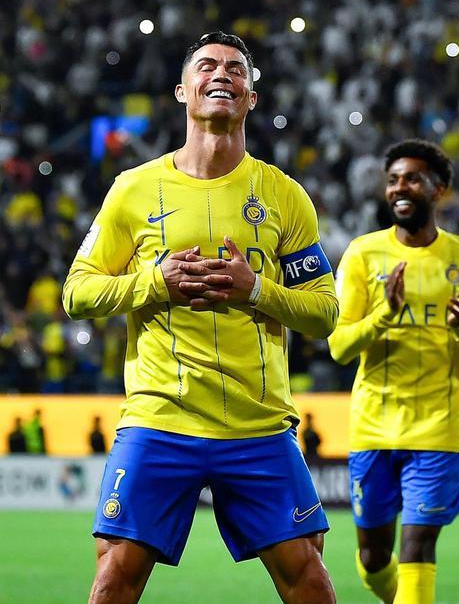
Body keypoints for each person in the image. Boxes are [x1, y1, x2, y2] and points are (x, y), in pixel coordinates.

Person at [64, 31, 339, 604]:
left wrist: (255, 289)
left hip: (256, 424)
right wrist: (154, 282)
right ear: (182, 90)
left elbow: (324, 313)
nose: (223, 74)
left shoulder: (284, 196)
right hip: (161, 416)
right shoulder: (132, 190)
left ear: (251, 96)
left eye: (237, 69)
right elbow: (77, 292)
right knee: (115, 573)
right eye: (207, 65)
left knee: (307, 575)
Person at [328, 139, 459, 604]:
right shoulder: (364, 255)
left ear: (439, 189)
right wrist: (385, 315)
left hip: (438, 430)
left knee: (418, 547)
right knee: (373, 560)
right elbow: (340, 347)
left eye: (412, 178)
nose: (400, 188)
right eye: (392, 180)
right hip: (374, 428)